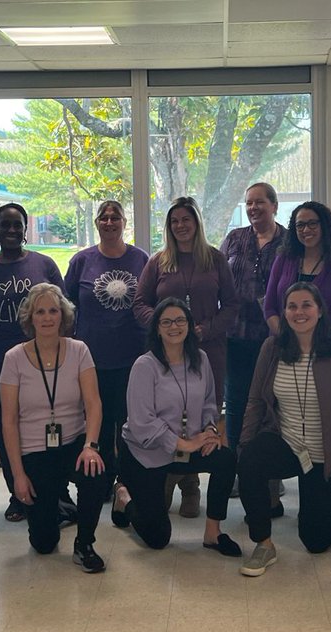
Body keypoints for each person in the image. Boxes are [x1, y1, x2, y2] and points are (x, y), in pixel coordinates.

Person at [236, 283, 331, 576]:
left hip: (327, 455)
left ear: (320, 311)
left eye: (307, 305)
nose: (299, 312)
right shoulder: (272, 348)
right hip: (288, 443)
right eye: (292, 306)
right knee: (250, 460)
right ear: (284, 312)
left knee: (315, 541)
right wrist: (244, 446)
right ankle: (264, 544)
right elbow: (256, 400)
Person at [133, 197, 240, 519]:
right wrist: (168, 327)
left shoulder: (216, 260)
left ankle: (190, 484)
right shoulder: (159, 261)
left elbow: (232, 306)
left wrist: (204, 331)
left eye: (186, 219)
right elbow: (139, 303)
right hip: (166, 355)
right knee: (167, 414)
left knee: (199, 414)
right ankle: (168, 476)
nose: (180, 225)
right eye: (174, 221)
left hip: (208, 352)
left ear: (196, 223)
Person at [116, 298, 239, 555]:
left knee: (226, 459)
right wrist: (183, 443)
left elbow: (208, 403)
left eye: (181, 320)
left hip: (189, 444)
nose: (174, 326)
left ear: (190, 325)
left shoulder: (201, 359)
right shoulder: (145, 365)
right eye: (167, 321)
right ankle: (123, 497)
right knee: (158, 538)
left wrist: (210, 432)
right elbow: (141, 422)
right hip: (146, 453)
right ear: (157, 329)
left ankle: (213, 533)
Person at [0, 202, 65, 522]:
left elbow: (64, 315)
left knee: (45, 425)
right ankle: (18, 494)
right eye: (4, 225)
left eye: (17, 224)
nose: (11, 230)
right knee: (10, 429)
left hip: (44, 363)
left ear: (25, 229)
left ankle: (55, 490)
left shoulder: (45, 266)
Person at [1, 284, 107, 572]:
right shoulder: (13, 359)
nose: (47, 318)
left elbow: (94, 403)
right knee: (44, 544)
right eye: (40, 311)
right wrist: (18, 476)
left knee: (96, 472)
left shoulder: (79, 350)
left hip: (74, 442)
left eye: (53, 311)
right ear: (30, 318)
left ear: (63, 316)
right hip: (35, 450)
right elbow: (8, 421)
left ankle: (84, 543)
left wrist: (91, 446)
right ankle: (60, 508)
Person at [64, 199, 149, 503]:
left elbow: (150, 302)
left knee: (128, 424)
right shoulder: (81, 261)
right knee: (97, 424)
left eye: (116, 217)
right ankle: (100, 482)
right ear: (97, 223)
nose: (110, 222)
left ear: (125, 222)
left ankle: (126, 482)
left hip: (133, 358)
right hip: (91, 360)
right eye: (104, 217)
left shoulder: (141, 259)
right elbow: (66, 307)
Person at [222, 183, 285, 451]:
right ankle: (237, 465)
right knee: (236, 401)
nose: (253, 208)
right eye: (249, 203)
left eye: (259, 202)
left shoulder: (290, 242)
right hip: (235, 335)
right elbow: (219, 280)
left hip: (276, 336)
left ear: (274, 206)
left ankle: (269, 469)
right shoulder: (234, 239)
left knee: (272, 401)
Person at [262, 201, 331, 331]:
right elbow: (269, 308)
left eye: (312, 224)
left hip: (323, 346)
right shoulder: (283, 258)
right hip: (282, 344)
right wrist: (285, 339)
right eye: (300, 225)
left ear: (325, 226)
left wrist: (307, 343)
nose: (306, 230)